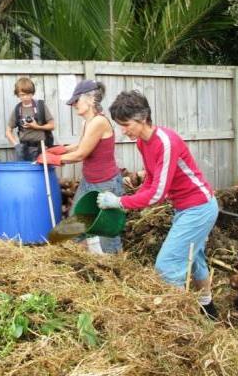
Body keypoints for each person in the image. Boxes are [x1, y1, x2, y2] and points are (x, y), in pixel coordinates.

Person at [97, 90, 219, 319]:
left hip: (200, 207)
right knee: (194, 257)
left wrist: (120, 201)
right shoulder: (143, 143)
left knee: (167, 265)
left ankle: (179, 322)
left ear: (142, 119)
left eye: (126, 124)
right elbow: (152, 179)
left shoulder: (166, 142)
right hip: (186, 208)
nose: (123, 130)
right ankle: (208, 308)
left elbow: (158, 195)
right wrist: (124, 204)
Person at [37, 80, 123, 254]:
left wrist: (53, 159)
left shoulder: (99, 122)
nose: (74, 105)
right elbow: (81, 145)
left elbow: (81, 154)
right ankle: (83, 259)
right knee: (76, 223)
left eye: (77, 100)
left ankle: (117, 269)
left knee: (107, 232)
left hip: (106, 183)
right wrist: (59, 149)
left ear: (90, 100)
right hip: (89, 181)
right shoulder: (87, 123)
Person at [6, 77, 55, 161]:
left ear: (33, 93)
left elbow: (52, 126)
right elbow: (8, 131)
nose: (25, 97)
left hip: (42, 148)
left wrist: (37, 127)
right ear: (17, 94)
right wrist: (16, 145)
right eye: (22, 95)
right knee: (25, 173)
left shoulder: (40, 106)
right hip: (24, 150)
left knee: (41, 173)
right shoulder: (17, 109)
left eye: (28, 94)